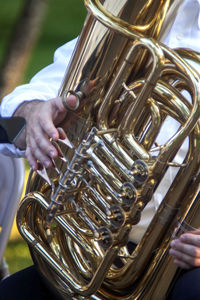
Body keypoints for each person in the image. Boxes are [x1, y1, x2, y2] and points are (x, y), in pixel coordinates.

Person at [1, 0, 200, 299]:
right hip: (83, 252)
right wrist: (33, 116)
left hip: (175, 266)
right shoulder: (151, 17)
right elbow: (13, 118)